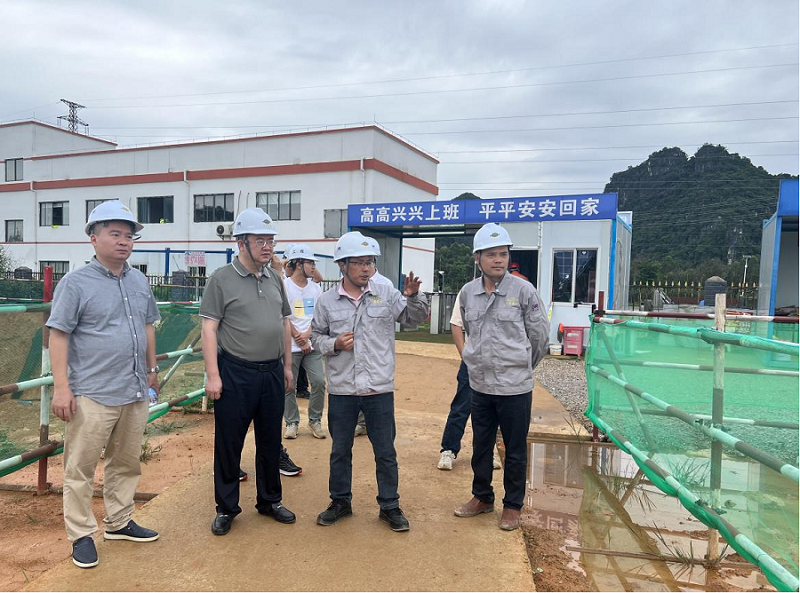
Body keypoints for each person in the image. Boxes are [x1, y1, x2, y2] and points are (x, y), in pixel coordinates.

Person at [48, 200, 161, 568]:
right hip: (93, 392)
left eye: (129, 235)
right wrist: (62, 387)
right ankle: (81, 534)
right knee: (79, 468)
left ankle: (119, 521)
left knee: (126, 462)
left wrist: (151, 369)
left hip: (133, 388)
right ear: (93, 238)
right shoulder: (75, 283)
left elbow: (147, 325)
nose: (124, 241)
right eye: (115, 234)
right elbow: (58, 334)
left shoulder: (139, 280)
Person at [312, 231, 428, 532]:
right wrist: (335, 343)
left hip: (378, 387)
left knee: (385, 451)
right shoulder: (326, 301)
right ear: (342, 265)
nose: (366, 269)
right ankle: (340, 502)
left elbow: (413, 319)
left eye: (370, 262)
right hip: (343, 389)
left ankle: (390, 505)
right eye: (360, 262)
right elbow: (315, 337)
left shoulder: (385, 290)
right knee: (340, 450)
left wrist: (413, 297)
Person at [200, 208, 296, 536]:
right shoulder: (221, 279)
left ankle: (270, 500)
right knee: (230, 442)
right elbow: (209, 328)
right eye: (260, 241)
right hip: (236, 372)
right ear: (241, 243)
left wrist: (286, 366)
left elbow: (284, 322)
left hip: (271, 372)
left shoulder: (274, 278)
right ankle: (227, 508)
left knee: (270, 440)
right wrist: (213, 375)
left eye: (270, 241)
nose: (268, 247)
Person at [454, 223, 549, 531]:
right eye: (491, 254)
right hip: (480, 384)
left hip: (514, 388)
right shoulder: (468, 293)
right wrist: (472, 360)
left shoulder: (523, 291)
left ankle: (512, 506)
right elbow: (467, 329)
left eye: (503, 254)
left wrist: (521, 366)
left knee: (514, 448)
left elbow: (540, 338)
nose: (498, 260)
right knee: (481, 445)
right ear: (477, 258)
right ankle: (482, 497)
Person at [437, 290, 501, 472]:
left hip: (498, 361)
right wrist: (465, 355)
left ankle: (486, 453)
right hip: (473, 360)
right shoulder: (468, 292)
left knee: (491, 410)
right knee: (462, 405)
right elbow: (456, 324)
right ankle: (448, 450)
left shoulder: (509, 292)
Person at [282, 243, 327, 440]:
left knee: (319, 381)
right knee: (288, 385)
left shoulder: (315, 289)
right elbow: (283, 315)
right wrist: (297, 337)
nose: (314, 267)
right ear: (299, 264)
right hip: (291, 345)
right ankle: (291, 422)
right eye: (310, 263)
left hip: (311, 343)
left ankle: (315, 420)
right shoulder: (284, 286)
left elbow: (318, 316)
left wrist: (307, 336)